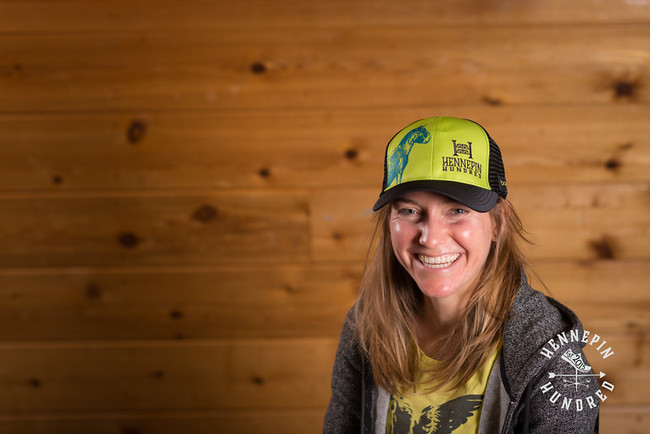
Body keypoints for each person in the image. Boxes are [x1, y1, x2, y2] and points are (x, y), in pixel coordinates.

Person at [323, 116, 600, 433]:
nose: (430, 238)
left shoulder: (551, 359)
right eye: (410, 211)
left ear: (498, 223)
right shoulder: (366, 325)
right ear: (389, 223)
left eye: (457, 210)